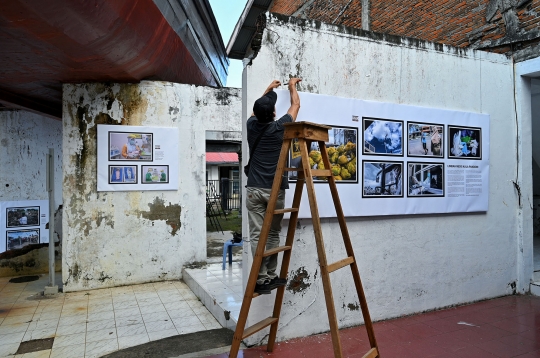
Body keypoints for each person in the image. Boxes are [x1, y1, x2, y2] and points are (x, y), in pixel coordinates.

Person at [246, 78, 302, 294]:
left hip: (254, 190)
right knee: (272, 234)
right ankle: (269, 276)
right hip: (274, 190)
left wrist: (268, 89)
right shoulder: (280, 128)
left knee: (257, 234)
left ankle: (261, 279)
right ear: (273, 114)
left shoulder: (251, 125)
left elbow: (256, 110)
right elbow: (296, 105)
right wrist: (291, 86)